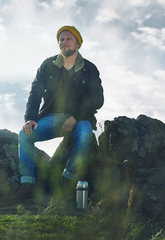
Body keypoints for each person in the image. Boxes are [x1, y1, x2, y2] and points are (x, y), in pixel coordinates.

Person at [17, 25, 104, 201]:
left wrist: (76, 117)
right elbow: (35, 93)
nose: (64, 42)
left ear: (77, 44)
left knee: (86, 134)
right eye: (61, 40)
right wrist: (30, 118)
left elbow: (97, 99)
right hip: (51, 117)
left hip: (79, 119)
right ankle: (27, 184)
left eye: (68, 39)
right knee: (24, 135)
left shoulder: (90, 69)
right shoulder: (47, 65)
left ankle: (67, 180)